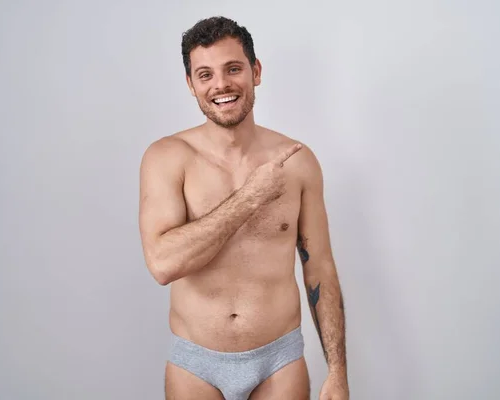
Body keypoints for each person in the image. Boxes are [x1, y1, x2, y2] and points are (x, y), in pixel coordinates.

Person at [138, 16, 349, 400]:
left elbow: (320, 268)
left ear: (255, 71)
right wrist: (251, 197)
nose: (220, 85)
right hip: (195, 365)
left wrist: (337, 371)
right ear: (191, 85)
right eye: (205, 74)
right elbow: (163, 264)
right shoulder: (167, 157)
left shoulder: (298, 162)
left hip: (279, 361)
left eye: (233, 69)